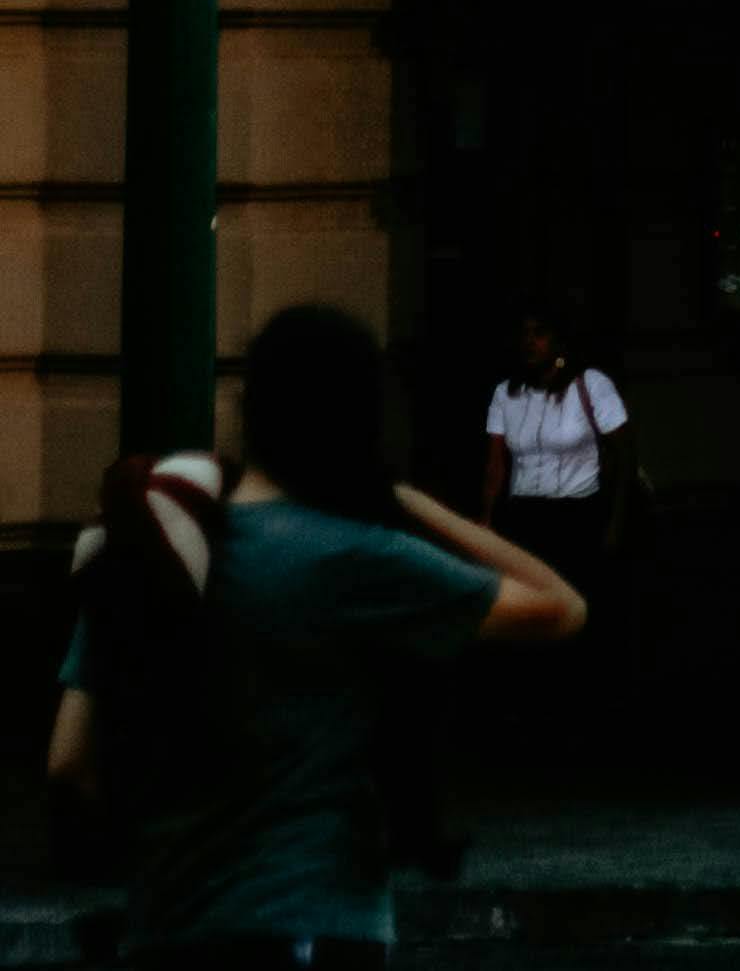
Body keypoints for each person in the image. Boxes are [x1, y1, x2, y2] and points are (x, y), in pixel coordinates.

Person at [47, 301, 584, 955]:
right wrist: (403, 498)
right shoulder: (353, 557)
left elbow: (69, 760)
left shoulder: (146, 547)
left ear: (249, 408)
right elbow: (559, 605)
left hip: (166, 922)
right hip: (313, 915)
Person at [481, 308, 630, 604]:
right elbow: (495, 465)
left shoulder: (590, 385)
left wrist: (616, 523)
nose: (530, 342)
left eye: (539, 334)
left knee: (574, 601)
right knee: (530, 604)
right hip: (524, 515)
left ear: (558, 341)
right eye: (524, 334)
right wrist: (485, 520)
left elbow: (625, 454)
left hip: (576, 516)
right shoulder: (506, 393)